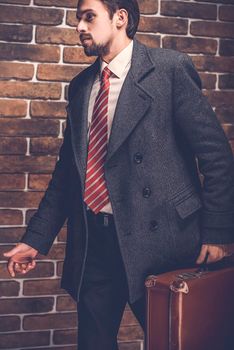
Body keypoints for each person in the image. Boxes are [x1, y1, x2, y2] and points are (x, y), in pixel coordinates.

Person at [4, 0, 234, 349]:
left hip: (164, 242)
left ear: (120, 18)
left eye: (89, 17)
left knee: (178, 342)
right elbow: (69, 174)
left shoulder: (168, 70)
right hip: (95, 243)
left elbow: (217, 157)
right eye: (77, 19)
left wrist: (217, 232)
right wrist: (35, 239)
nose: (79, 27)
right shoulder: (81, 87)